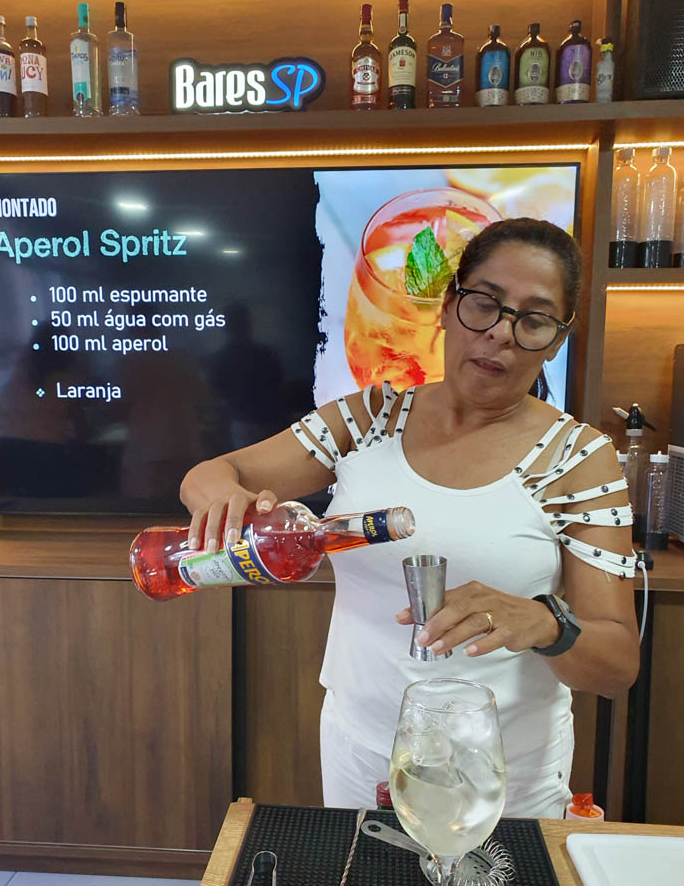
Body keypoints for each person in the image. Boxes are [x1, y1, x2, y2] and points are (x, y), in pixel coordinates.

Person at [179, 218, 639, 817]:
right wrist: (223, 498)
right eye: (485, 303)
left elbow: (616, 665)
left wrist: (544, 622)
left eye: (533, 319)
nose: (501, 333)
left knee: (488, 884)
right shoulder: (370, 416)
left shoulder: (578, 458)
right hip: (359, 750)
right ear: (447, 307)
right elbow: (213, 473)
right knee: (361, 881)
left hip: (498, 775)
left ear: (556, 339)